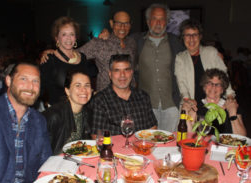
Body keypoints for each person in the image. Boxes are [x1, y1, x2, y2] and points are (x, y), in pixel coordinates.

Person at [41, 11, 137, 92]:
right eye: (118, 23)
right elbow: (73, 54)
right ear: (111, 23)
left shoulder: (132, 43)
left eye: (126, 23)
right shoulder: (100, 43)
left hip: (130, 94)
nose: (122, 27)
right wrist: (53, 52)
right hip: (106, 98)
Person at [135, 3, 184, 132]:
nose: (158, 23)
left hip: (171, 104)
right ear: (148, 21)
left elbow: (192, 55)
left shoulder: (176, 42)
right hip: (146, 106)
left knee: (169, 143)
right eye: (154, 19)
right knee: (149, 144)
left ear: (167, 22)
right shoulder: (136, 41)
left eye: (162, 19)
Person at [90, 54, 157, 136]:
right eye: (117, 70)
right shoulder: (100, 100)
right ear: (110, 74)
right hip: (114, 148)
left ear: (132, 72)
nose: (122, 75)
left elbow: (152, 128)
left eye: (126, 70)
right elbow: (97, 136)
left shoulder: (143, 96)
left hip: (141, 147)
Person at [175, 19, 235, 107]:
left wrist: (230, 95)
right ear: (183, 37)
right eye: (187, 35)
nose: (191, 39)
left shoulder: (211, 52)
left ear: (200, 36)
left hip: (215, 102)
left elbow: (224, 76)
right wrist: (188, 100)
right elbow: (181, 83)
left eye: (195, 34)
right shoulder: (180, 58)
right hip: (192, 104)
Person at [182, 68, 246, 136]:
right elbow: (189, 136)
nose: (213, 87)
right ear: (204, 86)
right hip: (202, 145)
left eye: (218, 84)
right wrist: (185, 113)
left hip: (227, 145)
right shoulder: (195, 106)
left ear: (222, 89)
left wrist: (232, 114)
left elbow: (242, 137)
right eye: (210, 83)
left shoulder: (231, 105)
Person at [40, 16, 88, 106]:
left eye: (72, 34)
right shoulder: (49, 59)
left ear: (76, 37)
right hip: (58, 113)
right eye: (64, 34)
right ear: (57, 38)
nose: (68, 38)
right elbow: (39, 89)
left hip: (81, 109)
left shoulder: (83, 58)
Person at [43, 69, 92, 155]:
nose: (83, 90)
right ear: (67, 91)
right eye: (78, 85)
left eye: (87, 85)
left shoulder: (87, 112)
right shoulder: (54, 116)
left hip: (76, 160)